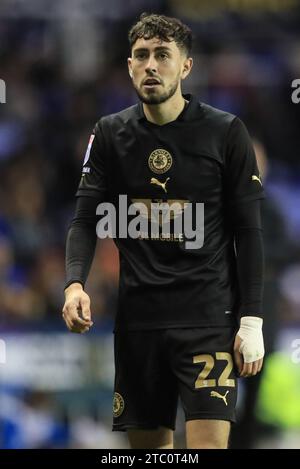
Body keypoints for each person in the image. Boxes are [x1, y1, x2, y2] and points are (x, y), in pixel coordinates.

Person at [62, 13, 265, 449]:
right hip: (139, 323)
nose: (151, 64)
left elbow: (248, 232)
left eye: (162, 55)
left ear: (186, 66)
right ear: (130, 66)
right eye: (141, 55)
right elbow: (84, 219)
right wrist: (74, 284)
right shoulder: (110, 134)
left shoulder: (226, 132)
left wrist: (252, 319)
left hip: (208, 320)